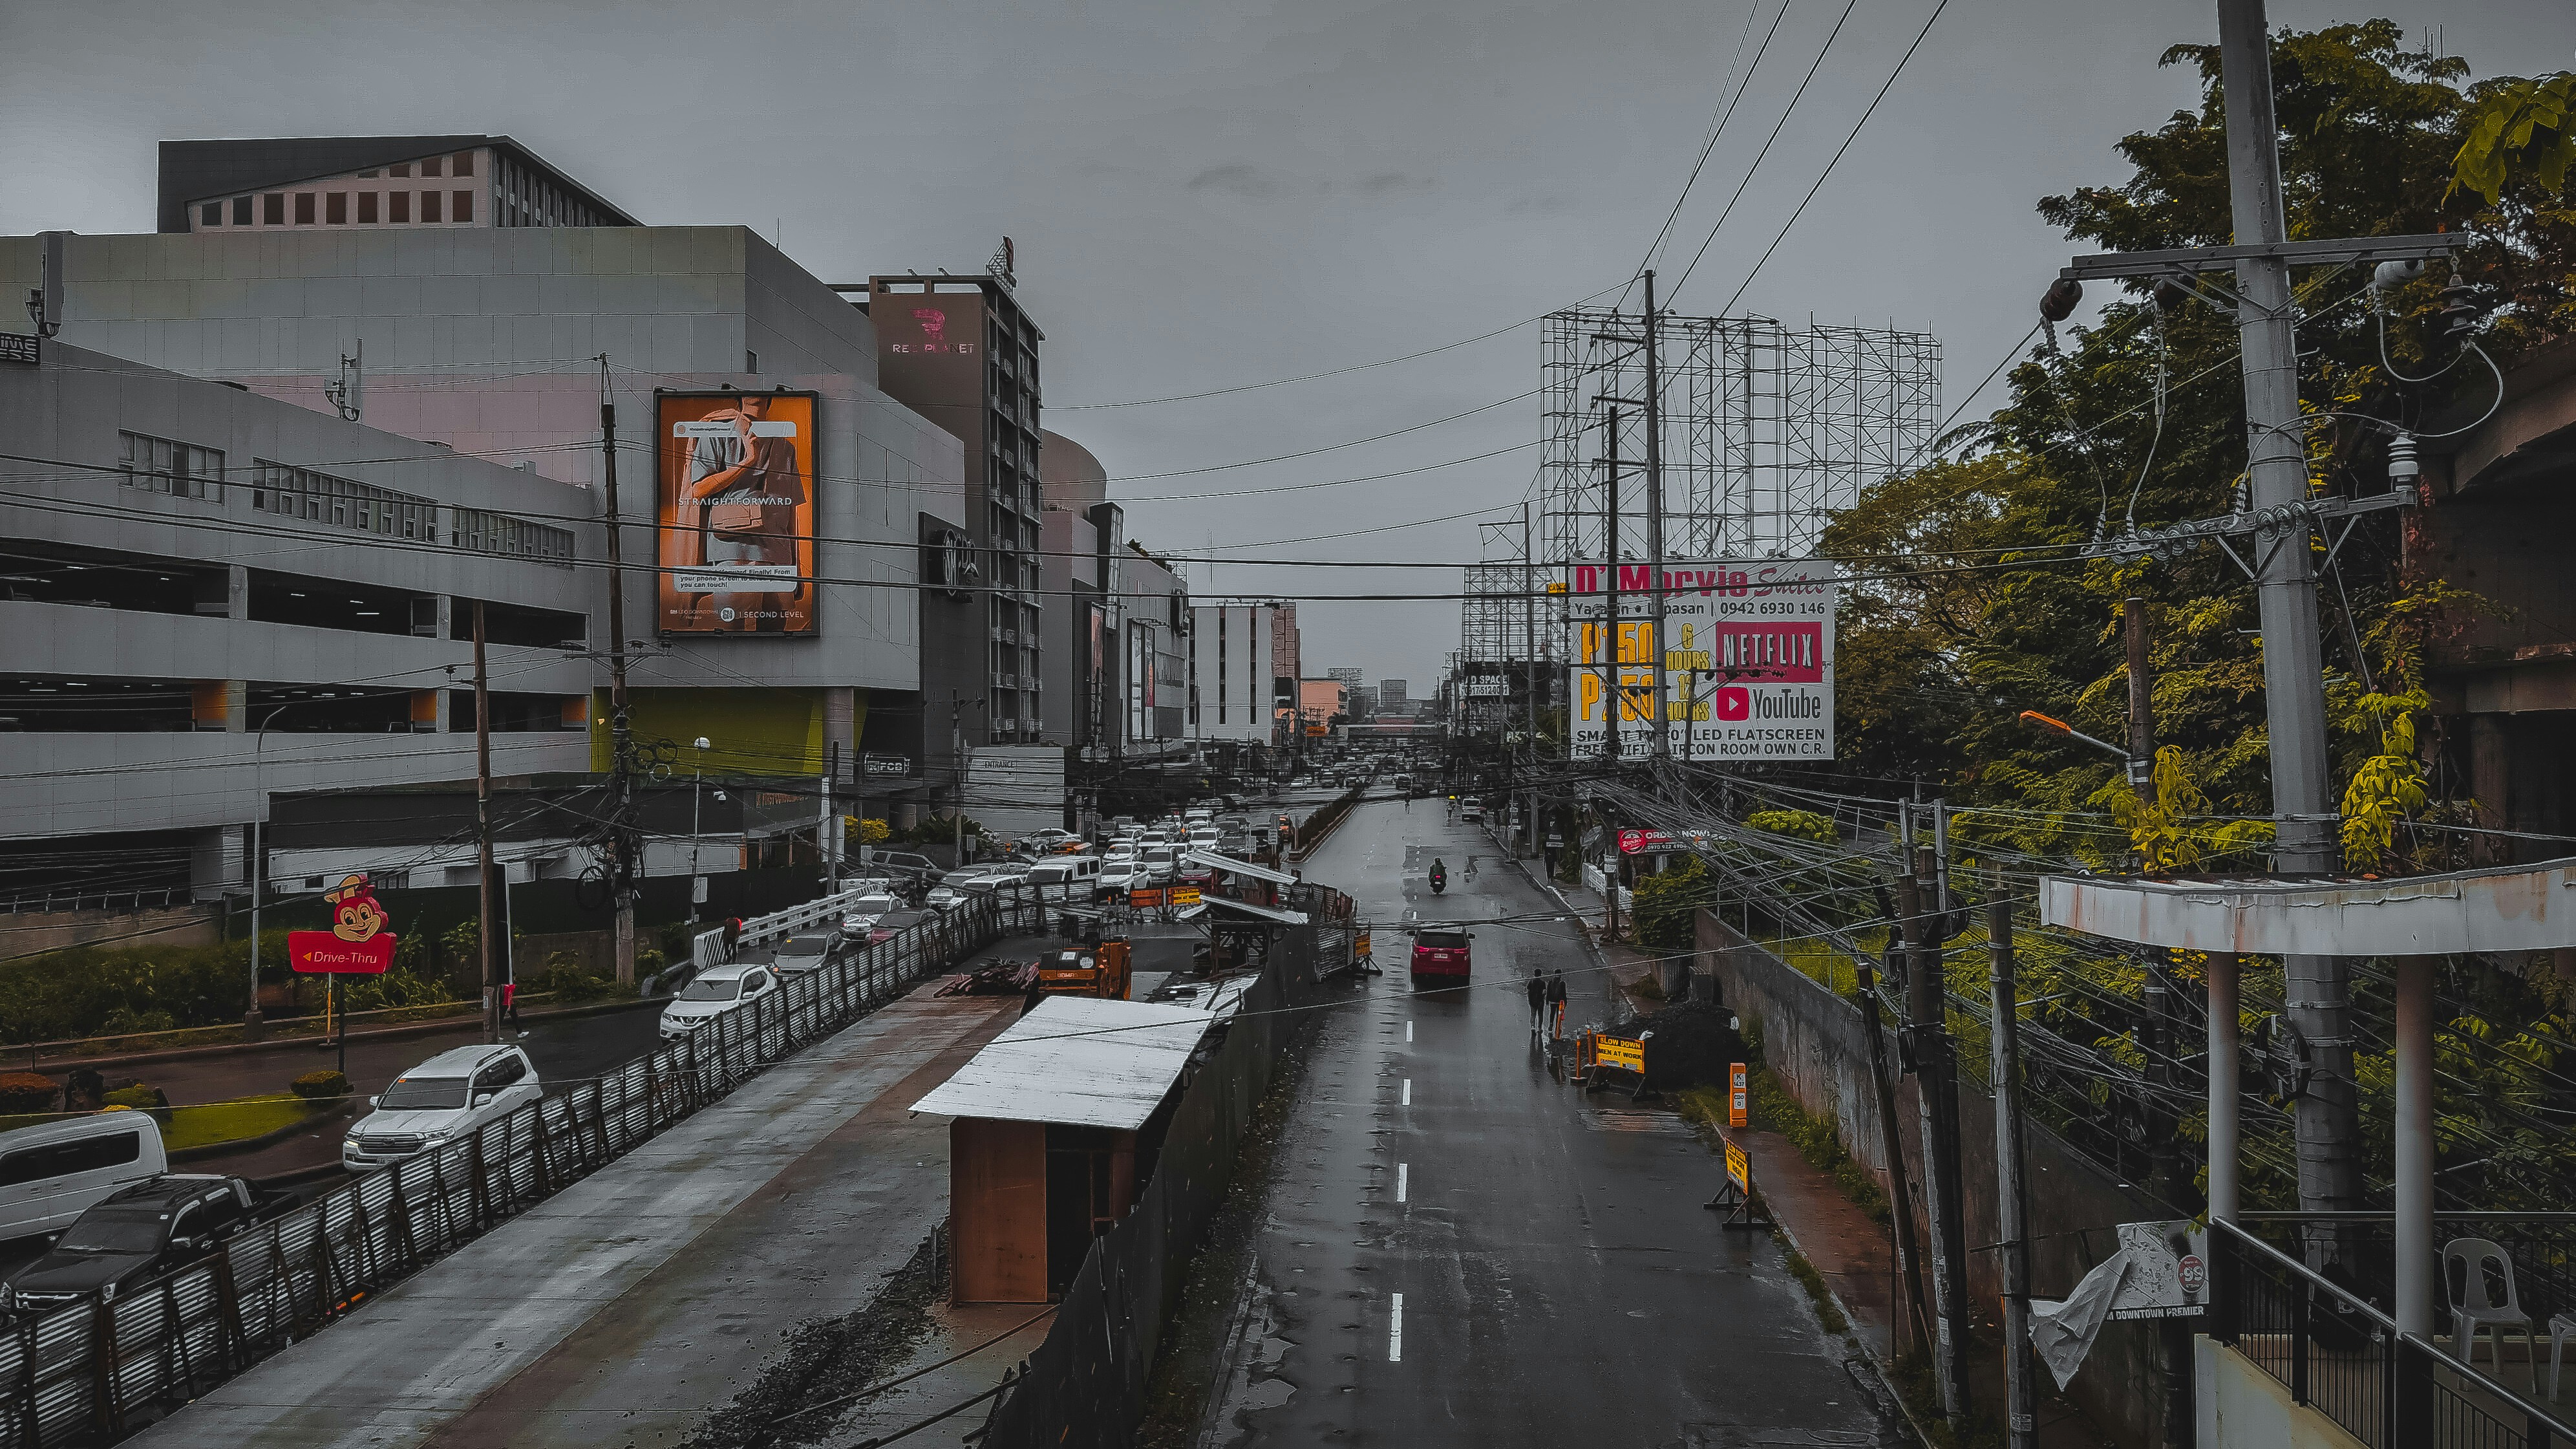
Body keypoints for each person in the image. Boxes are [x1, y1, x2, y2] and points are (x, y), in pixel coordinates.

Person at [678, 394, 806, 632]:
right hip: (733, 548)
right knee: (730, 631)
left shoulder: (786, 447)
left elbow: (791, 513)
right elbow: (698, 490)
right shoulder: (716, 434)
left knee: (775, 632)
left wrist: (796, 568)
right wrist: (748, 461)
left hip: (777, 552)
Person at [1546, 969, 1569, 1039]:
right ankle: (1557, 1028)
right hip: (1560, 1002)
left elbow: (1548, 992)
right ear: (1560, 975)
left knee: (1552, 1014)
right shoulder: (1562, 983)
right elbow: (1564, 993)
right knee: (1559, 1015)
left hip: (1552, 1001)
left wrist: (1547, 1001)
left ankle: (1550, 1025)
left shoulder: (1550, 982)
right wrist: (1565, 1002)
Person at [1526, 970, 1547, 1036]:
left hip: (1532, 1001)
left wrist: (1529, 1000)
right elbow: (1544, 992)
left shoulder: (1531, 982)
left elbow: (1528, 991)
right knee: (1540, 1015)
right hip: (1540, 1002)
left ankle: (1533, 1027)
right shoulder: (1543, 983)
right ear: (1541, 974)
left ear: (1534, 974)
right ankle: (1539, 1028)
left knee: (1533, 1014)